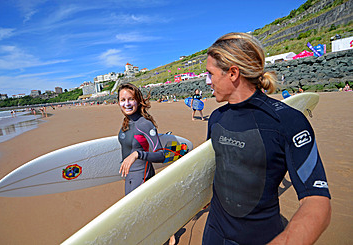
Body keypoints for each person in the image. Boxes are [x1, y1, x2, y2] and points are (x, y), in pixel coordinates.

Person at [203, 32, 331, 245]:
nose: (208, 82)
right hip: (213, 234)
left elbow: (317, 201)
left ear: (233, 73)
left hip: (259, 238)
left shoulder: (287, 121)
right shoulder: (216, 118)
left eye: (210, 74)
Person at [117, 83, 176, 245]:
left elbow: (161, 155)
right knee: (136, 213)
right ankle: (166, 233)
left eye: (131, 99)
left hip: (142, 176)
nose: (127, 103)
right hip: (129, 177)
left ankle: (166, 234)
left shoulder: (144, 124)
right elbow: (125, 151)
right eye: (123, 100)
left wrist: (138, 154)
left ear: (138, 101)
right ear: (118, 102)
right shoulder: (125, 123)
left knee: (141, 214)